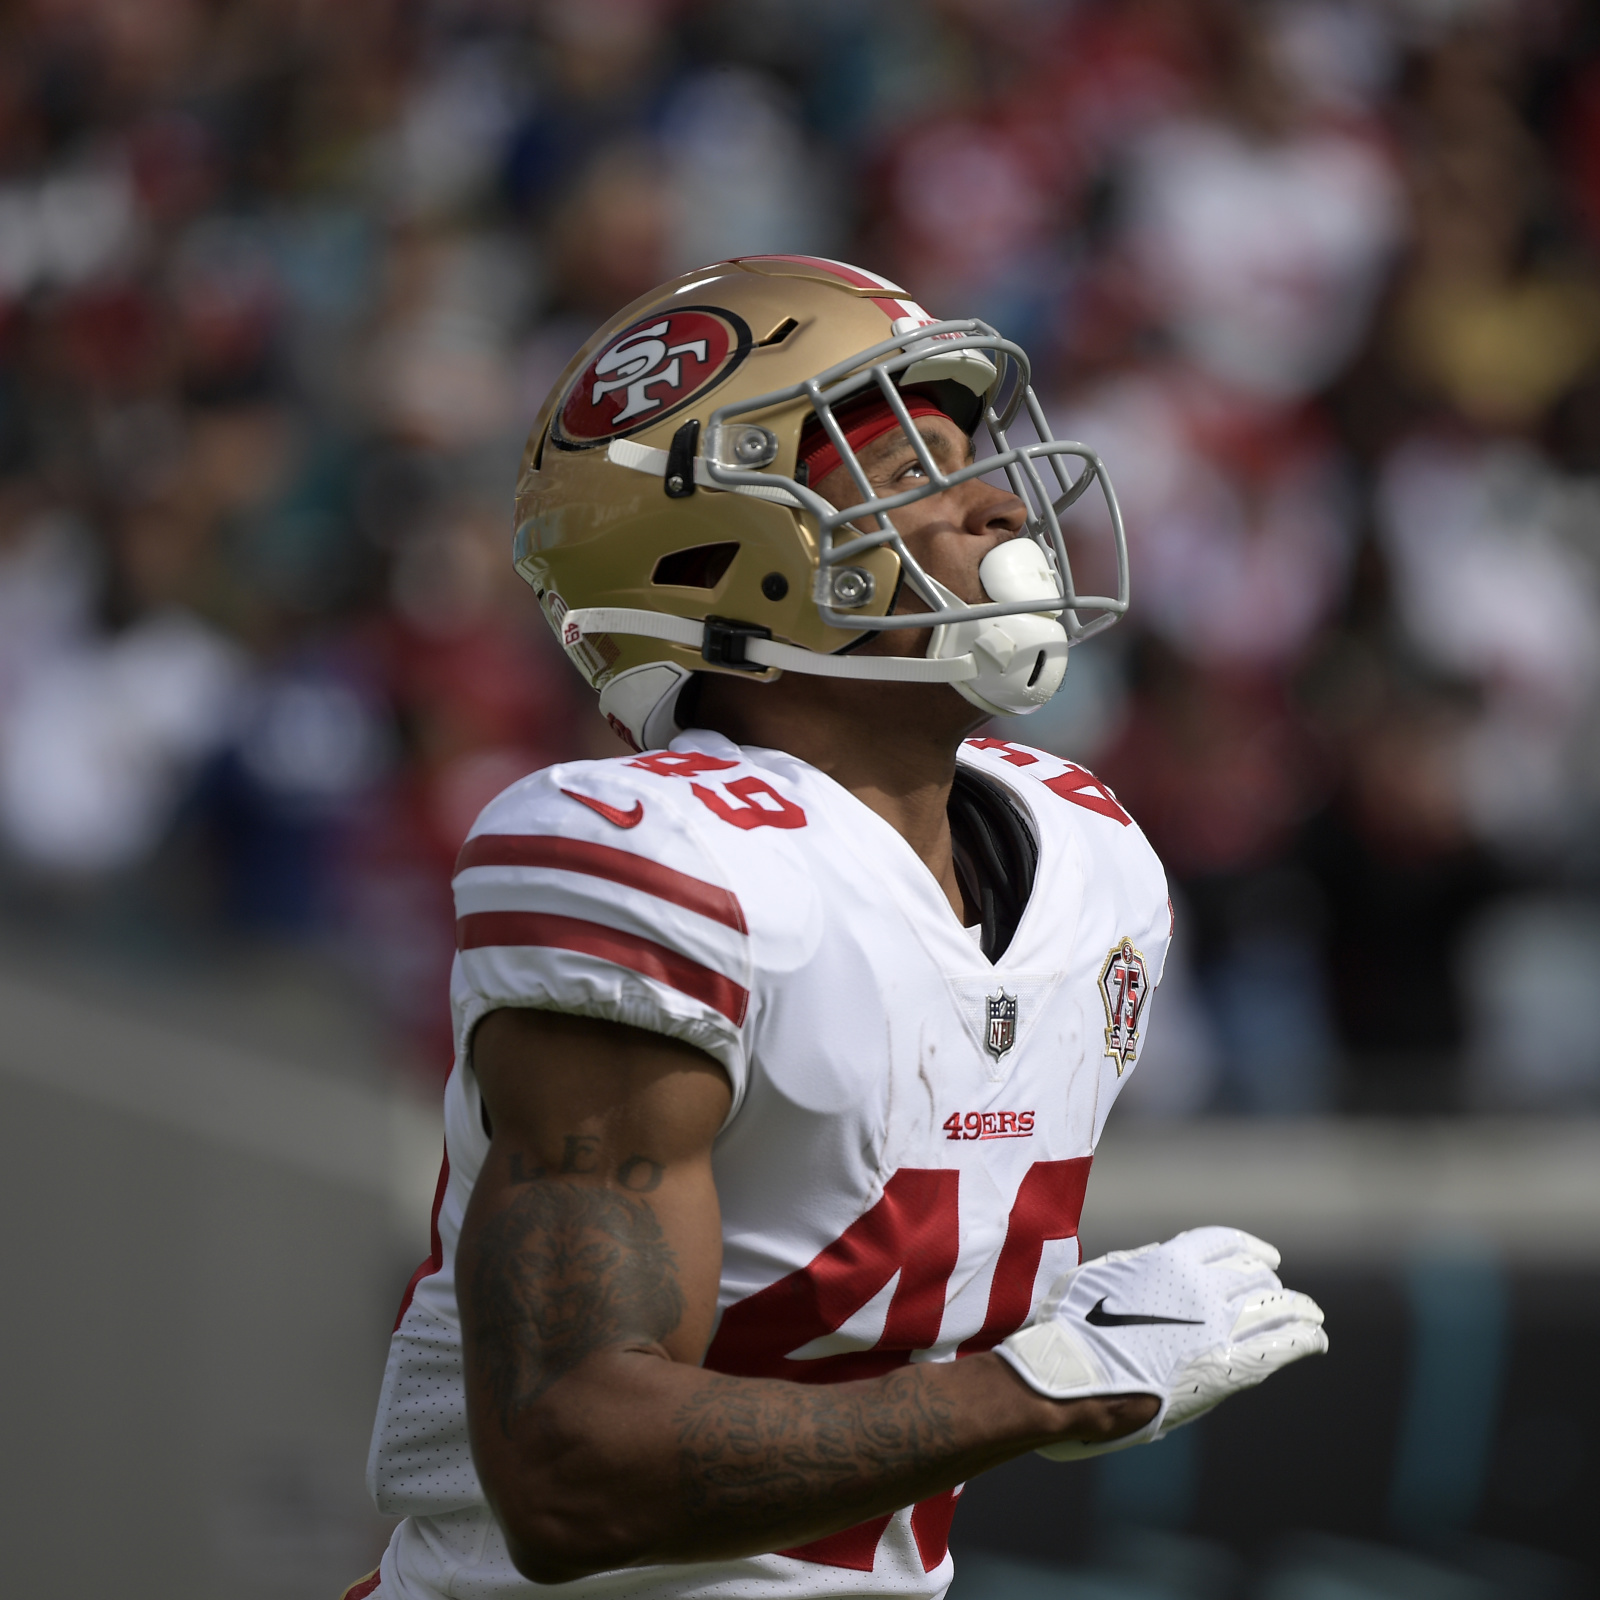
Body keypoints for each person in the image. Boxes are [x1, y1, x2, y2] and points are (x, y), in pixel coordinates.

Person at [344, 255, 1326, 1600]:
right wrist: (1047, 1385)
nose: (996, 499)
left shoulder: (1093, 862)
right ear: (731, 552)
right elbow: (573, 1472)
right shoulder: (656, 858)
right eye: (918, 466)